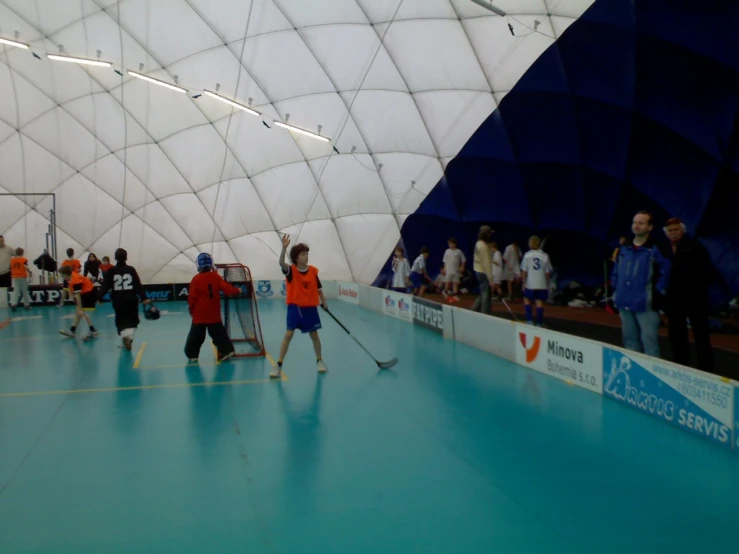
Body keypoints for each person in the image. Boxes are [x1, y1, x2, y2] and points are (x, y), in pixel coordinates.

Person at [611, 211, 671, 358]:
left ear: (650, 227)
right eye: (634, 222)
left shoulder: (656, 249)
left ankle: (651, 376)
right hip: (624, 301)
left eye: (641, 223)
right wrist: (616, 289)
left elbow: (666, 272)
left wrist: (656, 293)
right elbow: (616, 271)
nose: (636, 226)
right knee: (630, 340)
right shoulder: (624, 249)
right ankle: (633, 375)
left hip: (646, 304)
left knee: (649, 342)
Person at [663, 218, 716, 372]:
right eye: (670, 231)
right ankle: (681, 367)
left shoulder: (696, 247)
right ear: (666, 233)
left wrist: (696, 287)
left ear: (683, 230)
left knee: (701, 335)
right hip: (674, 300)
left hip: (696, 299)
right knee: (676, 336)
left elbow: (709, 273)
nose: (673, 233)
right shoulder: (664, 249)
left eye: (676, 230)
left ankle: (706, 370)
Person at [272, 234, 328, 379]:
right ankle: (278, 365)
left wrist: (324, 302)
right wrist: (284, 248)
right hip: (295, 308)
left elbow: (319, 288)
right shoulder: (291, 271)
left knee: (314, 335)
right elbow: (281, 263)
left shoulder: (313, 271)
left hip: (310, 308)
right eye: (303, 254)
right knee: (288, 335)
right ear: (296, 258)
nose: (306, 256)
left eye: (307, 254)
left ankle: (319, 360)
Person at [185, 253, 241, 363]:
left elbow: (192, 298)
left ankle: (192, 355)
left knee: (196, 335)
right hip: (213, 312)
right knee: (218, 332)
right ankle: (227, 350)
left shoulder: (196, 279)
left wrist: (191, 310)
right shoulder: (216, 277)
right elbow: (228, 290)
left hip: (200, 314)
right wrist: (238, 290)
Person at [98, 248, 150, 351]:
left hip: (118, 300)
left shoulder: (112, 270)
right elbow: (137, 284)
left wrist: (99, 297)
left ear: (115, 258)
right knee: (133, 320)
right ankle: (129, 337)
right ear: (126, 257)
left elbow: (106, 285)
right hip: (131, 299)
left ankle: (123, 335)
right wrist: (144, 298)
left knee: (120, 320)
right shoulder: (131, 269)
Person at [58, 265, 99, 341]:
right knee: (78, 312)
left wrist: (79, 307)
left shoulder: (75, 280)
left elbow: (78, 295)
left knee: (81, 312)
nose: (61, 276)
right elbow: (69, 287)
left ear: (66, 274)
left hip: (89, 293)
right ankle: (72, 330)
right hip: (84, 293)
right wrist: (70, 295)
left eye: (62, 275)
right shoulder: (69, 277)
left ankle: (93, 330)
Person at [520, 236, 552, 326]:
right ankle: (539, 323)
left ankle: (529, 320)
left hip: (530, 283)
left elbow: (524, 271)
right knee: (539, 302)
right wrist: (547, 283)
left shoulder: (527, 255)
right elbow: (548, 272)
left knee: (527, 299)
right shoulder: (545, 256)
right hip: (541, 283)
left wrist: (523, 283)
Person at [470, 226, 494, 314]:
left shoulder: (478, 243)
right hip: (483, 272)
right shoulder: (483, 246)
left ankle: (473, 310)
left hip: (477, 270)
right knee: (486, 295)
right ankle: (485, 315)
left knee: (482, 293)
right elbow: (486, 264)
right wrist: (491, 279)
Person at [0, 235, 13, 309]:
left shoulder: (9, 249)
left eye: (3, 240)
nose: (2, 242)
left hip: (6, 273)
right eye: (0, 241)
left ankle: (9, 303)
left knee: (8, 289)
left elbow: (16, 255)